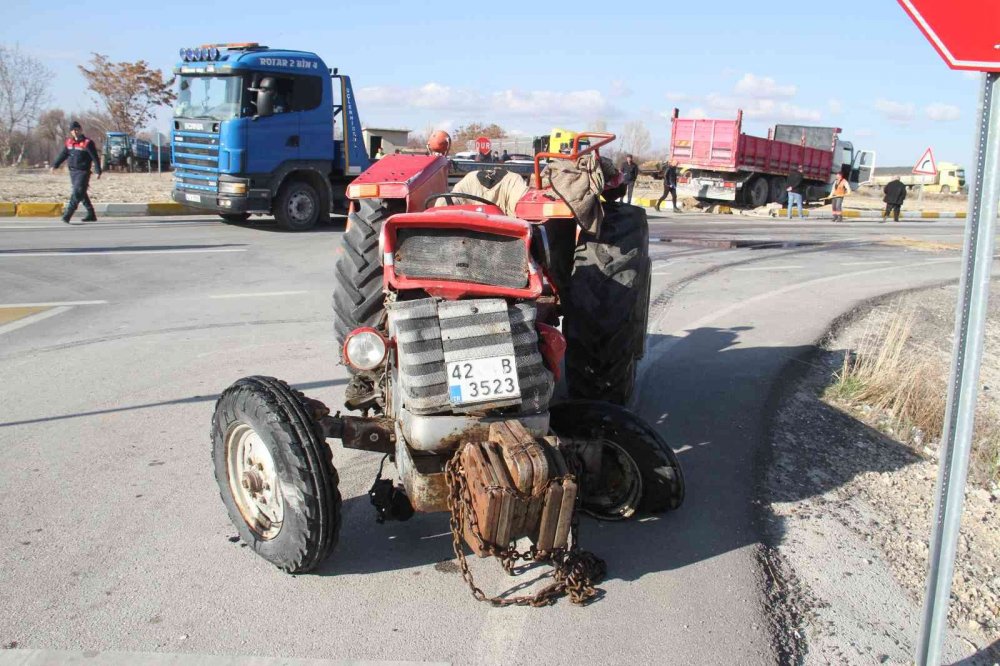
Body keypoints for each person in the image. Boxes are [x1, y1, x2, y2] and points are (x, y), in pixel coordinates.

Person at [51, 121, 102, 224]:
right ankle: (91, 214)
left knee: (77, 192)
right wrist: (55, 165)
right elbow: (63, 154)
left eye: (77, 129)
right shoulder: (69, 142)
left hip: (83, 172)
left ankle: (67, 215)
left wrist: (98, 171)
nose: (75, 131)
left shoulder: (87, 142)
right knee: (81, 193)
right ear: (71, 132)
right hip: (73, 172)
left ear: (80, 130)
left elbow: (95, 158)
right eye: (73, 130)